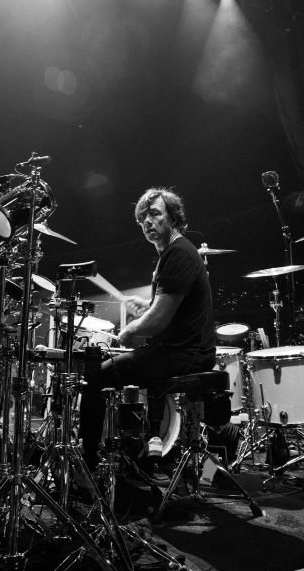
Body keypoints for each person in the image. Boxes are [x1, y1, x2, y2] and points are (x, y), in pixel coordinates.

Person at [79, 186, 216, 474]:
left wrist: (129, 330)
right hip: (180, 350)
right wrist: (147, 305)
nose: (148, 222)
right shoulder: (173, 252)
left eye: (155, 214)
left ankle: (87, 463)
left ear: (174, 217)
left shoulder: (178, 254)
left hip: (184, 355)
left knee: (95, 375)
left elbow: (158, 320)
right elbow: (167, 308)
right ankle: (135, 451)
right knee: (112, 368)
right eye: (143, 218)